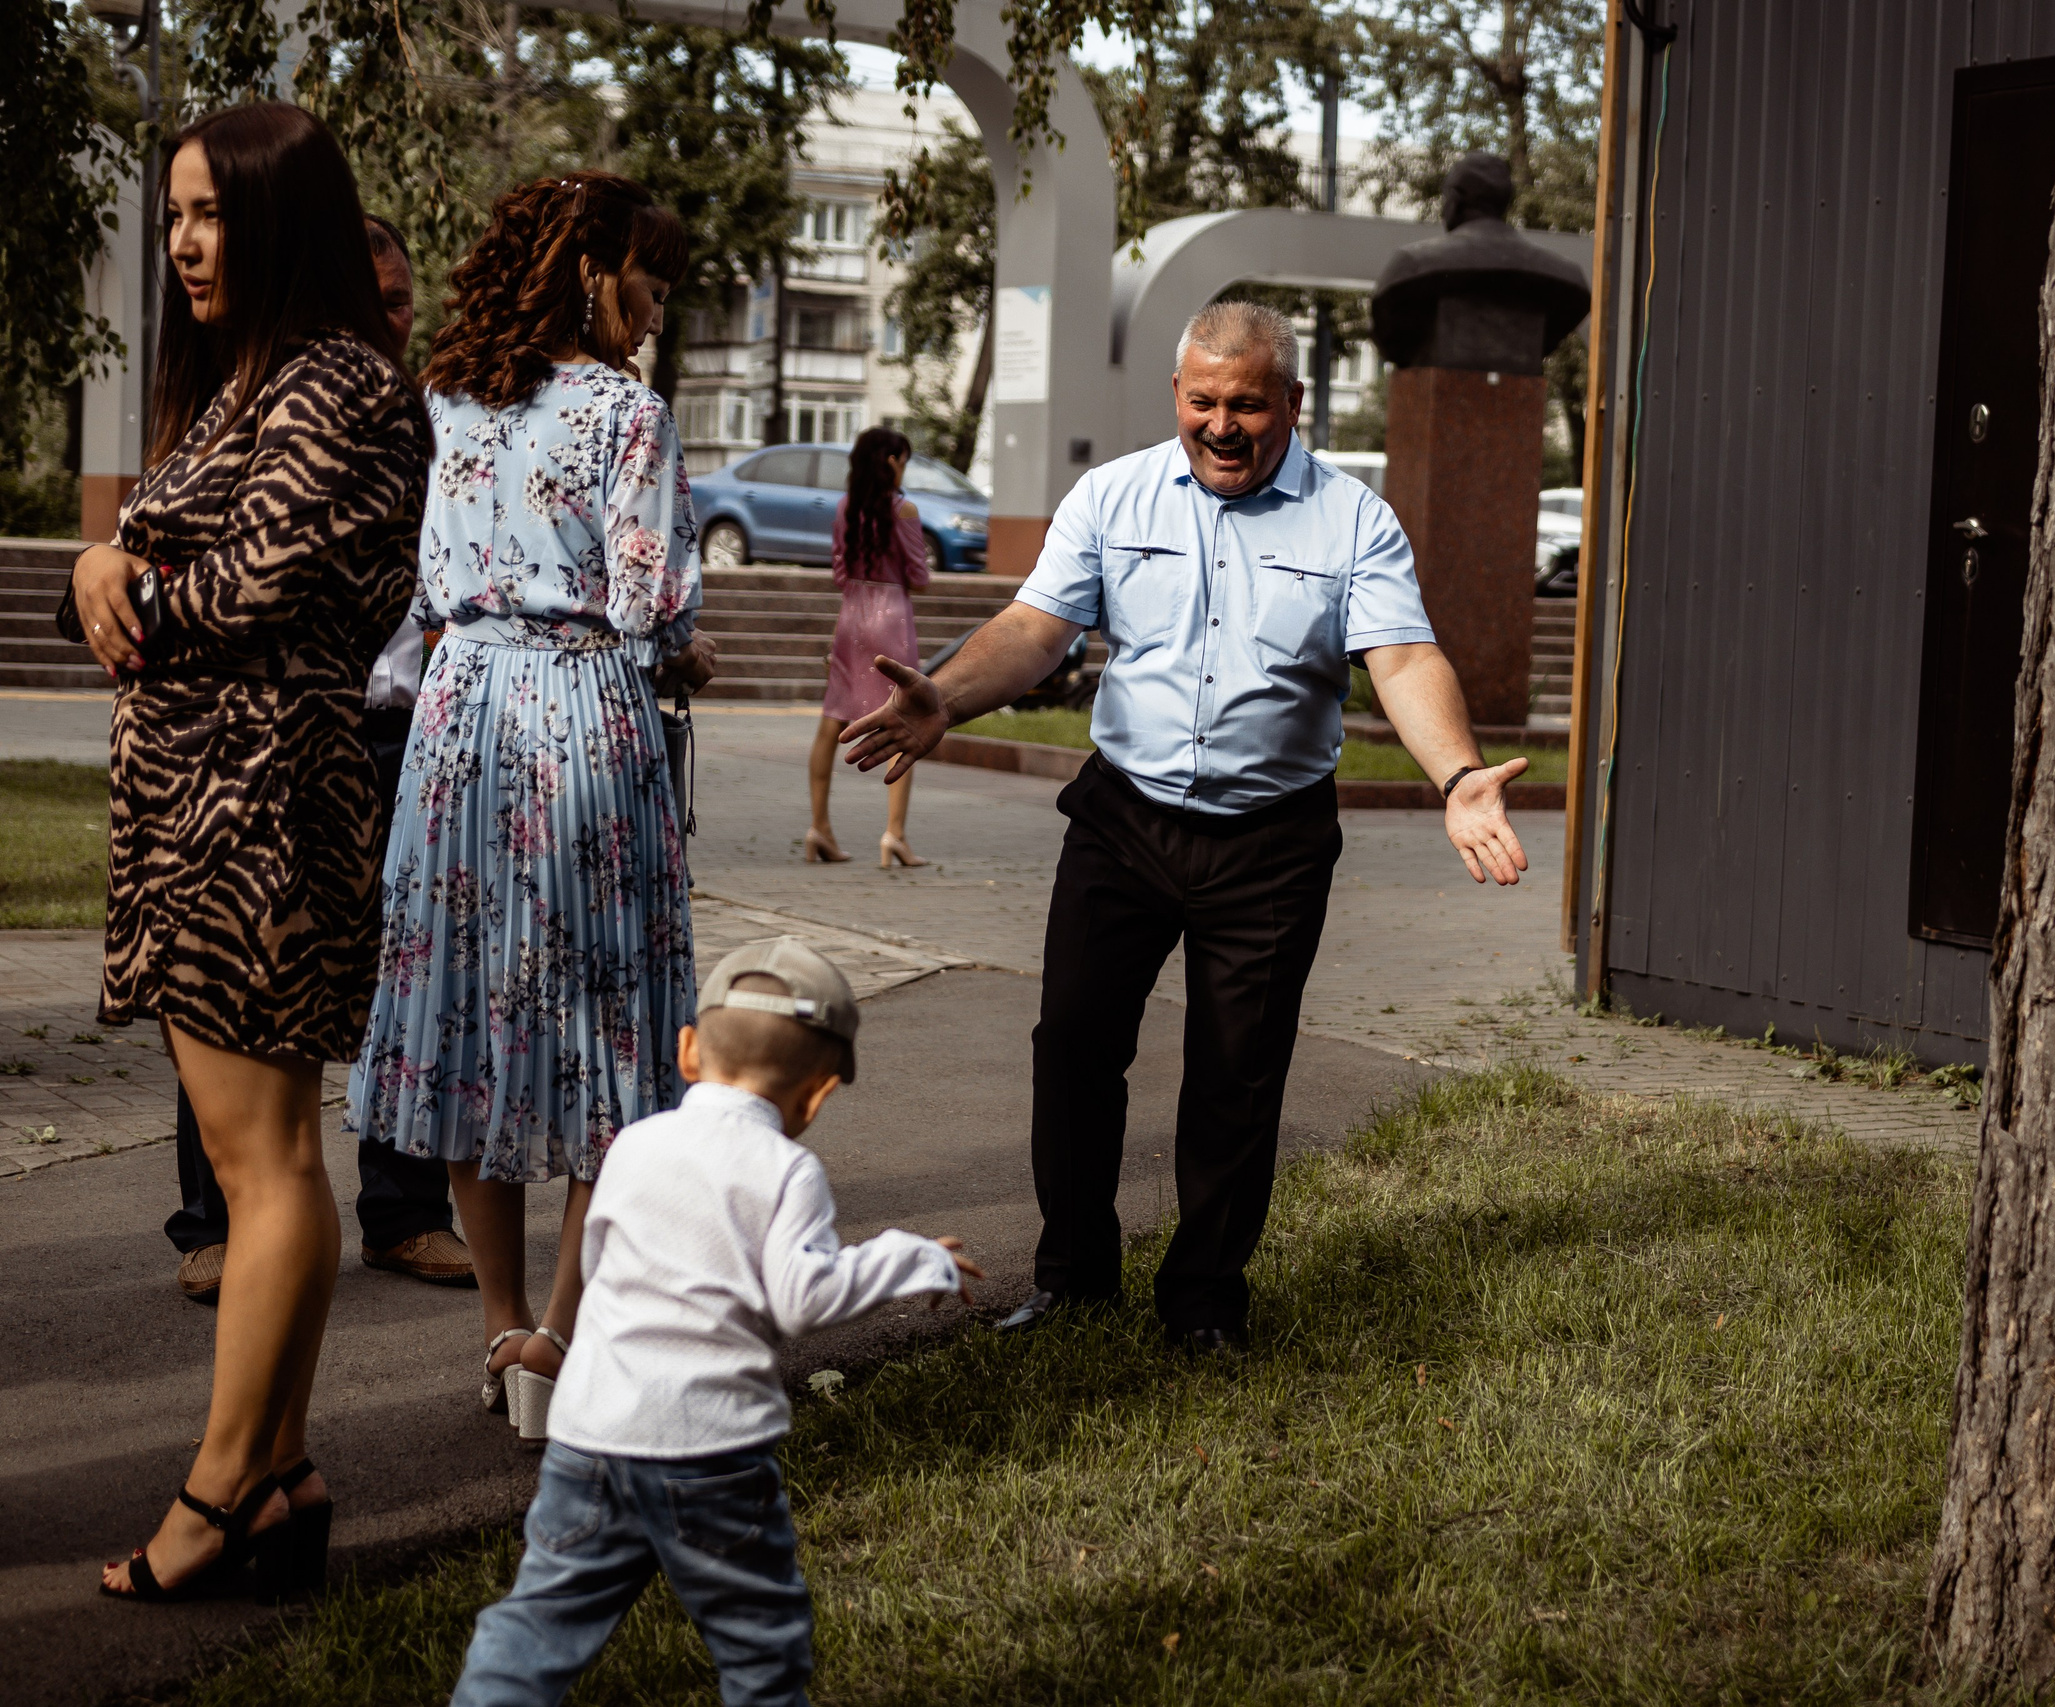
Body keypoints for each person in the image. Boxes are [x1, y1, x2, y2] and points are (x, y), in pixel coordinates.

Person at [843, 300, 1528, 1355]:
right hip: (1123, 819)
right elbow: (1035, 628)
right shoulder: (1112, 496)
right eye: (1203, 401)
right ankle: (1073, 1278)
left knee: (1236, 1072)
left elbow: (1401, 657)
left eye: (1246, 404)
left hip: (1270, 837)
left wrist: (1459, 776)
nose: (1221, 424)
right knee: (1072, 1046)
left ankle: (1204, 1300)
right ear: (1176, 396)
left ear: (1291, 404)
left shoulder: (1352, 519)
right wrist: (946, 694)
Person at [70, 101, 430, 1600]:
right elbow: (171, 560)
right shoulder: (254, 383)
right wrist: (114, 556)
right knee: (253, 1149)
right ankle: (279, 1472)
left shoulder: (338, 386)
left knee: (264, 1155)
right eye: (174, 217)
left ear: (283, 217)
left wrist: (126, 573)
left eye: (211, 212)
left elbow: (248, 581)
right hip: (211, 795)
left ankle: (221, 1489)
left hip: (261, 798)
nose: (187, 242)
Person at [344, 171, 717, 1444]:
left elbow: (422, 583)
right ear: (589, 271)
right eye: (647, 284)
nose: (654, 314)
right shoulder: (626, 413)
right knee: (606, 1030)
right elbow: (653, 598)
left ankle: (500, 1317)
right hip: (582, 717)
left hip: (458, 718)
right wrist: (685, 648)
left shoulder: (445, 400)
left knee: (470, 1009)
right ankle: (558, 1336)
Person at [446, 938, 982, 1707]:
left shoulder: (633, 1145)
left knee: (540, 1617)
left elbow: (601, 1268)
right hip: (711, 1451)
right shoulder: (789, 1169)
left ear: (689, 1051)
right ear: (819, 1094)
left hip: (591, 1435)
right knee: (757, 1638)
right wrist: (908, 1259)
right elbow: (802, 1297)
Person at [165, 212, 469, 1304]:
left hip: (405, 733)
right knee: (237, 988)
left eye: (402, 304)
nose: (396, 323)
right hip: (281, 739)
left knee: (407, 983)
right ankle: (214, 1224)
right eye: (375, 303)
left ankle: (403, 1213)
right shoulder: (254, 409)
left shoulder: (427, 423)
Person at [804, 426, 932, 867]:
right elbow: (918, 576)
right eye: (903, 461)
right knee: (903, 719)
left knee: (830, 721)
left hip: (852, 615)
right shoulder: (905, 510)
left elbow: (839, 573)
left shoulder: (846, 507)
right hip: (892, 617)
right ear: (892, 461)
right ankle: (894, 834)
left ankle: (818, 827)